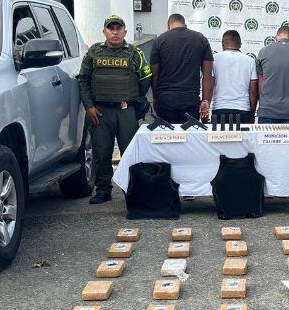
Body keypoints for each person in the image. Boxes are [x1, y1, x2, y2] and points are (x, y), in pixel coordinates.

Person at [77, 14, 152, 204]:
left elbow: (145, 80)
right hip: (100, 111)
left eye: (119, 28)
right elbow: (83, 81)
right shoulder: (93, 53)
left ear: (125, 32)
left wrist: (133, 101)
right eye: (111, 28)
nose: (115, 32)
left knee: (130, 152)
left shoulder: (136, 53)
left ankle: (132, 189)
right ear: (104, 32)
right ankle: (103, 190)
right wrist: (89, 107)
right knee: (102, 152)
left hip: (126, 110)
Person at [149, 12, 214, 124]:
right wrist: (205, 100)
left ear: (168, 25)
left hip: (166, 99)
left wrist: (155, 98)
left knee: (168, 138)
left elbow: (154, 74)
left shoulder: (159, 40)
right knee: (189, 139)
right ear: (185, 25)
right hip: (190, 99)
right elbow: (207, 74)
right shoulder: (201, 39)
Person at [210, 29, 258, 125]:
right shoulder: (250, 61)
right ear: (240, 44)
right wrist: (252, 114)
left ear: (222, 44)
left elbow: (209, 87)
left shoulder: (214, 59)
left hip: (219, 109)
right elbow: (253, 91)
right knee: (242, 140)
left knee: (218, 139)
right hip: (243, 110)